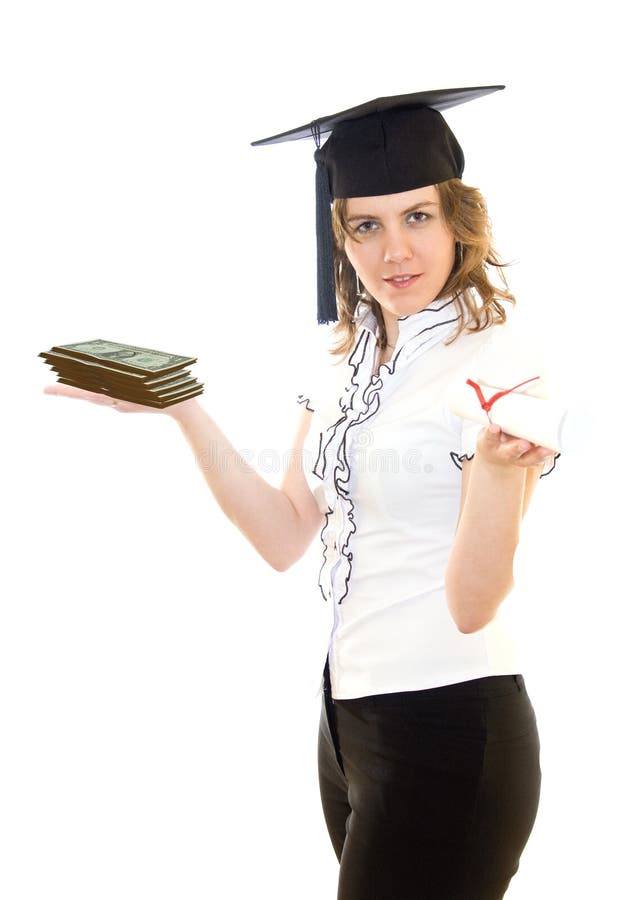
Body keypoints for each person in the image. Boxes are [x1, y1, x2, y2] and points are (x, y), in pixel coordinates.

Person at [45, 86, 556, 899]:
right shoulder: (341, 360)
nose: (395, 250)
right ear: (340, 235)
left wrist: (498, 474)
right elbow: (285, 534)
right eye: (367, 224)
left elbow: (471, 604)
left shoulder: (499, 358)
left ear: (459, 218)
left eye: (417, 216)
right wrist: (181, 403)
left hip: (449, 718)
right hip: (348, 717)